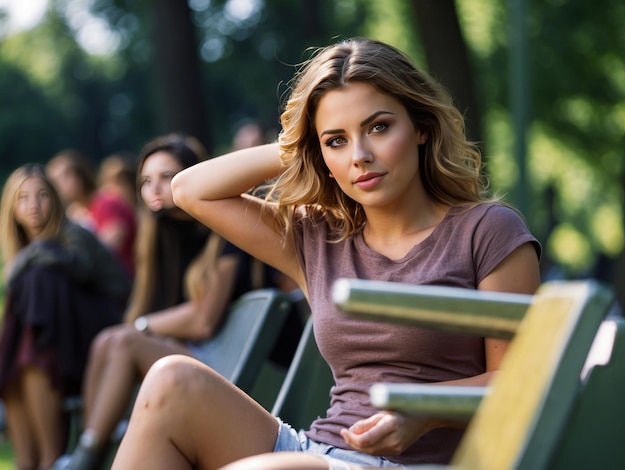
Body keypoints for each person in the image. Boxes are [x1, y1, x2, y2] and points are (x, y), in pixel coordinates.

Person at [112, 37, 542, 470]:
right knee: (172, 380)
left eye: (378, 127)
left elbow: (519, 381)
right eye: (336, 141)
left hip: (413, 465)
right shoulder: (318, 235)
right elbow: (188, 190)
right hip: (318, 450)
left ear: (421, 127)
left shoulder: (487, 230)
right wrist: (296, 142)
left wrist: (425, 411)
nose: (360, 156)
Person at [60, 132, 287, 470]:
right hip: (190, 355)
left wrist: (142, 326)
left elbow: (203, 320)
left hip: (229, 364)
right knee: (107, 339)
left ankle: (87, 456)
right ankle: (89, 444)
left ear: (193, 174)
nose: (154, 188)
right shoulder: (157, 240)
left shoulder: (225, 232)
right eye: (146, 180)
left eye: (166, 177)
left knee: (123, 340)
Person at [0, 164, 130, 470]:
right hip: (50, 334)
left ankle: (49, 458)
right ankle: (28, 459)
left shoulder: (72, 232)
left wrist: (36, 253)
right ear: (12, 208)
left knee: (40, 279)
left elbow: (83, 270)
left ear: (55, 201)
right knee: (16, 361)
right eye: (23, 198)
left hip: (97, 330)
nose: (33, 205)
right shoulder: (22, 252)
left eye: (43, 195)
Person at [46, 149, 137, 276]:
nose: (55, 187)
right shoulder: (73, 212)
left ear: (78, 176)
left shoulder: (106, 203)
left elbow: (109, 251)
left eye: (60, 178)